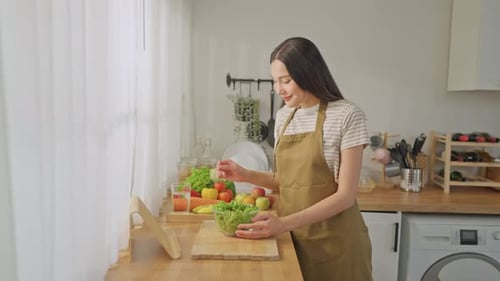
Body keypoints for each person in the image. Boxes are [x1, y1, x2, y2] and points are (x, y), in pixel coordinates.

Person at [216, 37, 373, 281]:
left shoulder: (347, 115)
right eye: (275, 81)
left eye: (286, 80)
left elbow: (345, 196)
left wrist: (284, 223)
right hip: (293, 240)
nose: (279, 89)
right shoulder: (284, 117)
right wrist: (245, 174)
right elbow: (290, 182)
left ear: (308, 73)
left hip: (336, 245)